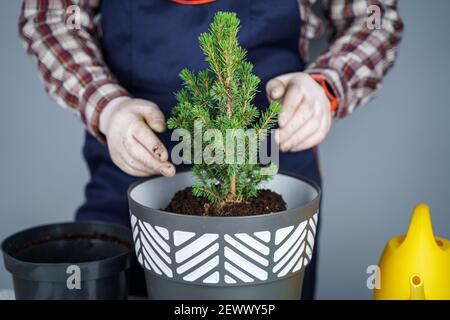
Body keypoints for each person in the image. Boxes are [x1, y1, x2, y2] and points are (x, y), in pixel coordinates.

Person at [19, 0, 403, 299]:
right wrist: (106, 106)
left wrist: (328, 86)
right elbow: (50, 17)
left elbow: (374, 17)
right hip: (131, 168)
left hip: (271, 172)